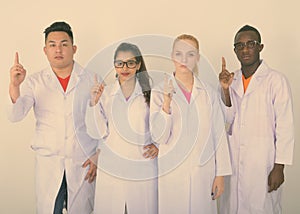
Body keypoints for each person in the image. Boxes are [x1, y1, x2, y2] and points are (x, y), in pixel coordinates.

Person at [8, 21, 98, 214]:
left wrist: (98, 155)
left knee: (82, 209)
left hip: (82, 163)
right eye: (52, 45)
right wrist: (14, 86)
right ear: (45, 50)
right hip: (49, 164)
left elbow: (105, 122)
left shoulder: (91, 79)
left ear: (74, 49)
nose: (58, 49)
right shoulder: (34, 82)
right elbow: (16, 115)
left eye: (64, 44)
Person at [150, 34, 232, 214]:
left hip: (203, 173)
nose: (184, 60)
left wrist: (220, 174)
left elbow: (218, 134)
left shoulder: (208, 93)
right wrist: (166, 104)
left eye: (190, 54)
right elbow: (159, 137)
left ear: (198, 58)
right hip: (172, 174)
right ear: (172, 56)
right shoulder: (158, 92)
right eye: (179, 54)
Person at [219, 25, 294, 214]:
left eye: (250, 44)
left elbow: (285, 127)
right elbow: (226, 121)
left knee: (263, 207)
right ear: (235, 50)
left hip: (263, 162)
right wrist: (226, 90)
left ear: (260, 47)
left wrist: (279, 167)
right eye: (240, 45)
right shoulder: (231, 80)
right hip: (234, 161)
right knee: (233, 207)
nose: (245, 49)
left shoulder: (276, 80)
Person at [87, 42, 158, 214]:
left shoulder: (151, 94)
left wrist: (158, 145)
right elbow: (96, 132)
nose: (124, 68)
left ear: (138, 65)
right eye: (120, 63)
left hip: (142, 166)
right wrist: (93, 104)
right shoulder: (105, 94)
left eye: (130, 63)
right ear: (114, 65)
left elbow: (161, 127)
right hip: (112, 168)